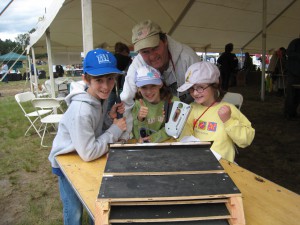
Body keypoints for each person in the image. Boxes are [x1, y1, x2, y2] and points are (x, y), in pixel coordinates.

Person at [48, 48, 127, 225]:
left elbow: (95, 129)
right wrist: (114, 130)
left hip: (80, 156)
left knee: (93, 201)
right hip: (67, 161)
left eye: (110, 79)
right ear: (86, 78)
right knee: (74, 210)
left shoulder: (99, 97)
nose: (106, 86)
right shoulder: (81, 110)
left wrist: (110, 118)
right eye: (99, 80)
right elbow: (89, 152)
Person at [120, 19, 200, 140]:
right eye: (145, 52)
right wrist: (125, 137)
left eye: (155, 47)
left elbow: (205, 92)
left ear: (165, 41)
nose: (152, 56)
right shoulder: (137, 64)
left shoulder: (187, 58)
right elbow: (126, 97)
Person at [177, 61, 255, 163]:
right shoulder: (191, 108)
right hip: (198, 162)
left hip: (223, 166)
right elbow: (186, 138)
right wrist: (180, 121)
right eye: (191, 88)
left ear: (214, 85)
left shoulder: (228, 109)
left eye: (200, 87)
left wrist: (229, 121)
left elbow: (246, 140)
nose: (195, 93)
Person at [132, 65, 179, 143]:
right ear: (138, 89)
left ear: (160, 85)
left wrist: (153, 138)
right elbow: (139, 138)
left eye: (153, 85)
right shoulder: (138, 104)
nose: (149, 91)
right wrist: (140, 119)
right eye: (144, 87)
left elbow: (174, 130)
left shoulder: (173, 102)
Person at [107, 42, 132, 111]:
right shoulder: (127, 60)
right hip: (123, 88)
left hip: (111, 87)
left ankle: (109, 119)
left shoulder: (111, 59)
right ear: (124, 51)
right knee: (123, 107)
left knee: (109, 107)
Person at [284, 38, 300, 120]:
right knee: (290, 94)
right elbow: (288, 53)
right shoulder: (294, 42)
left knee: (298, 95)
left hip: (298, 73)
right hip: (292, 73)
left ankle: (294, 112)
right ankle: (288, 112)